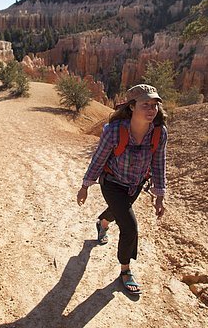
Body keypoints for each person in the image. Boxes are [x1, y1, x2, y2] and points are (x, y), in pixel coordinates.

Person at [77, 84, 167, 296]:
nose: (151, 109)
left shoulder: (159, 133)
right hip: (112, 183)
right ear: (131, 107)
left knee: (120, 212)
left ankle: (103, 223)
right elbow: (98, 159)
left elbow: (159, 164)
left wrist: (160, 196)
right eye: (146, 104)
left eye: (155, 105)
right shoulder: (114, 131)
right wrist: (85, 186)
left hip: (135, 185)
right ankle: (125, 271)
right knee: (130, 227)